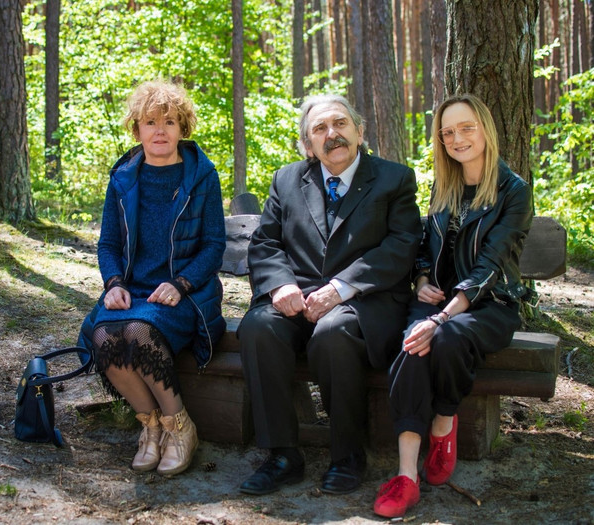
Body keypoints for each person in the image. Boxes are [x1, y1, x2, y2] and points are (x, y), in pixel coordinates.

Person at [237, 94, 423, 496]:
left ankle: (348, 455)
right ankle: (283, 455)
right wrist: (281, 284)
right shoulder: (287, 179)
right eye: (319, 129)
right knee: (257, 328)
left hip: (365, 301)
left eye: (340, 124)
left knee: (333, 334)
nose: (331, 134)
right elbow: (265, 243)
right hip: (298, 296)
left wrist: (340, 290)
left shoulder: (394, 179)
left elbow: (402, 245)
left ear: (359, 131)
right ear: (308, 144)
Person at [372, 94, 534, 518]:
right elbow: (426, 247)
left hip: (490, 304)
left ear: (485, 130)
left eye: (466, 128)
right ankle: (406, 474)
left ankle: (444, 423)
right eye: (448, 132)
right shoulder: (443, 185)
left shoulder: (514, 191)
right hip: (440, 298)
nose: (457, 138)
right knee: (412, 343)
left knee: (444, 338)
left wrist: (442, 317)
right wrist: (423, 280)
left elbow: (491, 266)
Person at [77, 80, 226, 476]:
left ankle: (180, 426)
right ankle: (151, 426)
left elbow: (213, 245)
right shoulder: (123, 178)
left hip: (185, 294)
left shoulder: (202, 177)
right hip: (133, 291)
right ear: (137, 129)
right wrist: (113, 284)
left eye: (170, 122)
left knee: (140, 333)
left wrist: (181, 285)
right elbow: (108, 243)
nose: (160, 131)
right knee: (105, 337)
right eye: (150, 122)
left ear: (183, 129)